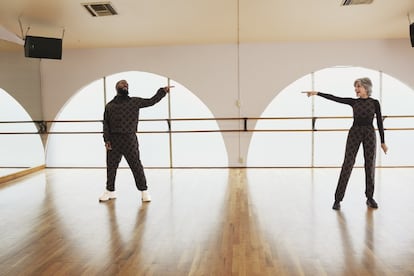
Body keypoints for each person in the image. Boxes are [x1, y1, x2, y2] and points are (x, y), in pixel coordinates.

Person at [303, 77, 388, 210]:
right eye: (356, 87)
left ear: (366, 88)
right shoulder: (353, 102)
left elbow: (380, 123)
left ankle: (370, 197)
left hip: (370, 134)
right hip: (354, 133)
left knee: (370, 165)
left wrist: (383, 141)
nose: (356, 89)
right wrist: (317, 93)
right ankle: (337, 199)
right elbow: (335, 98)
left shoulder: (375, 103)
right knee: (348, 164)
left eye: (358, 86)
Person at [99, 79, 173, 203]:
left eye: (127, 84)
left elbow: (151, 101)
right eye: (122, 84)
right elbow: (106, 124)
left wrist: (162, 91)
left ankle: (144, 191)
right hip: (114, 140)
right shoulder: (110, 105)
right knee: (111, 166)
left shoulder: (134, 102)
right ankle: (110, 191)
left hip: (129, 138)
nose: (125, 85)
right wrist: (106, 139)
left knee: (136, 165)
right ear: (117, 87)